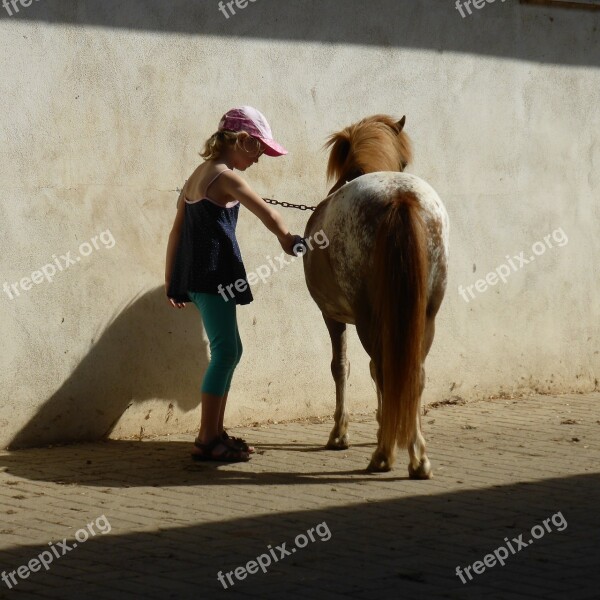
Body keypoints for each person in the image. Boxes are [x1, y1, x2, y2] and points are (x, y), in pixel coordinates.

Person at [165, 106, 300, 462]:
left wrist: (172, 282)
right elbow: (267, 212)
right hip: (213, 275)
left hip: (198, 276)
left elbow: (177, 230)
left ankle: (215, 431)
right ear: (241, 140)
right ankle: (207, 438)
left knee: (231, 351)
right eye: (258, 150)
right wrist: (287, 238)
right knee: (225, 352)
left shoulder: (197, 174)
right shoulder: (226, 177)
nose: (259, 160)